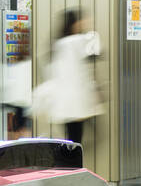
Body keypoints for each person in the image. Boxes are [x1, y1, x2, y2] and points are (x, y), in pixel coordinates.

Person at [40, 8, 103, 145]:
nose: (85, 23)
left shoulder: (58, 44)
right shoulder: (74, 41)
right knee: (76, 140)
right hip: (75, 103)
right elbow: (96, 50)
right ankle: (71, 164)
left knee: (72, 139)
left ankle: (70, 162)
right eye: (82, 20)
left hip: (65, 104)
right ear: (74, 23)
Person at [2, 41, 33, 139]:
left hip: (17, 102)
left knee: (17, 127)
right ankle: (22, 139)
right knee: (23, 127)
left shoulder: (14, 68)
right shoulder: (27, 66)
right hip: (24, 102)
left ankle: (17, 139)